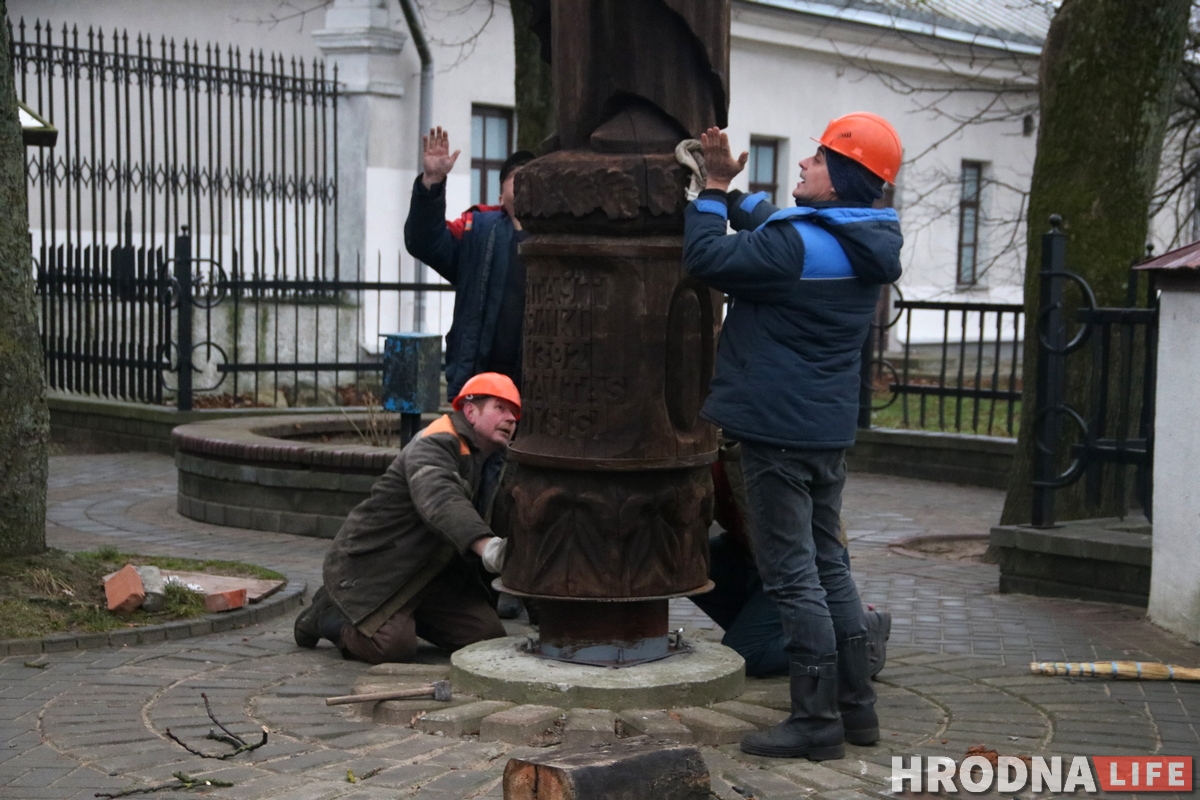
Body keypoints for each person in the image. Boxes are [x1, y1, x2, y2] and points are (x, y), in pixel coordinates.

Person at [682, 112, 904, 761]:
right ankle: (857, 710)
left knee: (792, 577)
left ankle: (813, 721)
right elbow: (777, 225)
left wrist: (708, 196)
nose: (803, 165)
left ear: (839, 179)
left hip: (775, 431)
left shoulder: (794, 249)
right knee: (830, 566)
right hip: (824, 430)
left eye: (816, 158)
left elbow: (705, 255)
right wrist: (729, 186)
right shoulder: (863, 240)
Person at [293, 372, 521, 664]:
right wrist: (488, 547)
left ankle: (406, 617)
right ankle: (328, 613)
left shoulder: (500, 464)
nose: (511, 418)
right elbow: (441, 498)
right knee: (393, 649)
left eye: (514, 412)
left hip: (436, 575)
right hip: (381, 567)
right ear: (470, 410)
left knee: (485, 640)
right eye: (500, 408)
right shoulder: (435, 442)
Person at [694, 446, 891, 681]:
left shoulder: (749, 439)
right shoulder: (703, 446)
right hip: (752, 555)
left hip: (800, 564)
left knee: (744, 654)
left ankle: (853, 643)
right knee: (685, 563)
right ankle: (775, 632)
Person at [404, 126, 535, 400]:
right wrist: (432, 181)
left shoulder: (563, 237)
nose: (524, 180)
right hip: (479, 382)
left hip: (540, 382)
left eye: (531, 175)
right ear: (500, 198)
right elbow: (424, 241)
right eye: (514, 176)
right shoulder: (475, 230)